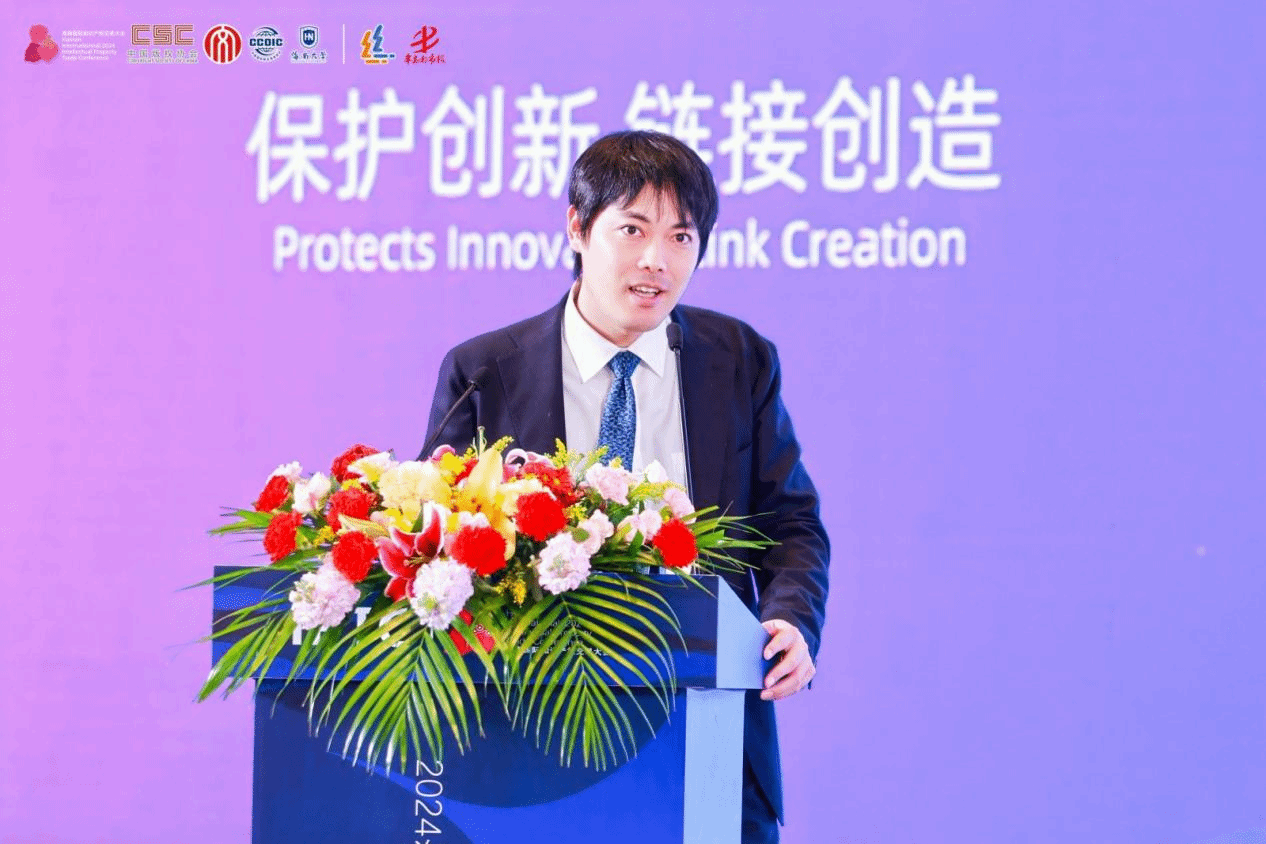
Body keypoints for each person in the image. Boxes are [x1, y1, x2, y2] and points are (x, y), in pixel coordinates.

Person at [423, 130, 829, 843]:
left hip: (708, 729)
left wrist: (792, 620)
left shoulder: (738, 359)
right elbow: (440, 539)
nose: (656, 260)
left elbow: (790, 522)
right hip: (528, 732)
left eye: (681, 237)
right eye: (633, 229)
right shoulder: (486, 371)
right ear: (578, 228)